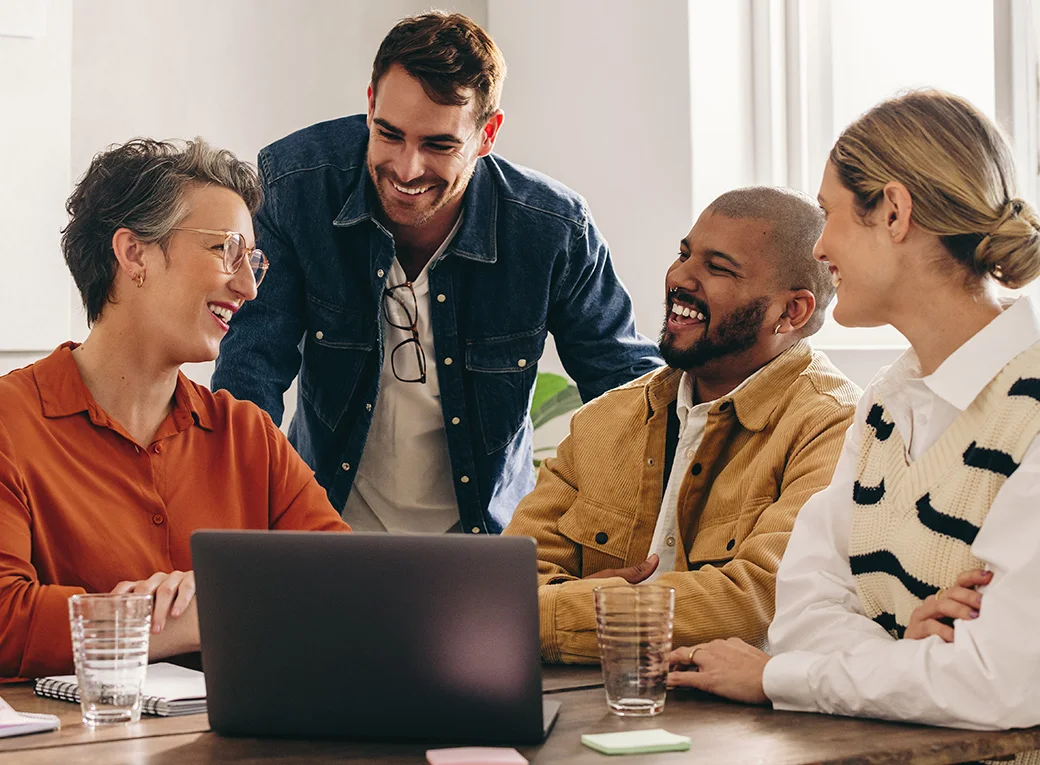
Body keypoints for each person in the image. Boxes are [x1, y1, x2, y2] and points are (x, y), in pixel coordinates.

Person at [668, 91, 1040, 743]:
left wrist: (779, 676)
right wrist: (909, 659)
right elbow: (801, 612)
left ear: (893, 211)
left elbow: (997, 682)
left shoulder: (1031, 412)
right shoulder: (883, 406)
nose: (819, 243)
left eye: (828, 212)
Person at [210, 11, 662, 535]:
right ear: (370, 106)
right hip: (326, 530)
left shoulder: (553, 229)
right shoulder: (297, 187)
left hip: (484, 544)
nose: (406, 168)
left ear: (487, 133)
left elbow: (630, 397)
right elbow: (251, 376)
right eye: (389, 134)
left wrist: (607, 542)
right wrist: (241, 540)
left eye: (439, 145)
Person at [0, 138, 351, 680]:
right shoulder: (10, 423)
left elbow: (350, 586)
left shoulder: (247, 435)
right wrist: (186, 619)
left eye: (252, 260)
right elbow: (4, 622)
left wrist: (213, 600)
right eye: (224, 251)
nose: (250, 287)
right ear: (133, 253)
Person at [502, 186, 859, 663]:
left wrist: (572, 609)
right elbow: (511, 582)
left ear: (791, 312)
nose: (680, 278)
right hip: (594, 698)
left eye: (718, 268)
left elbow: (754, 601)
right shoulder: (606, 418)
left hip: (754, 725)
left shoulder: (834, 426)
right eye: (684, 254)